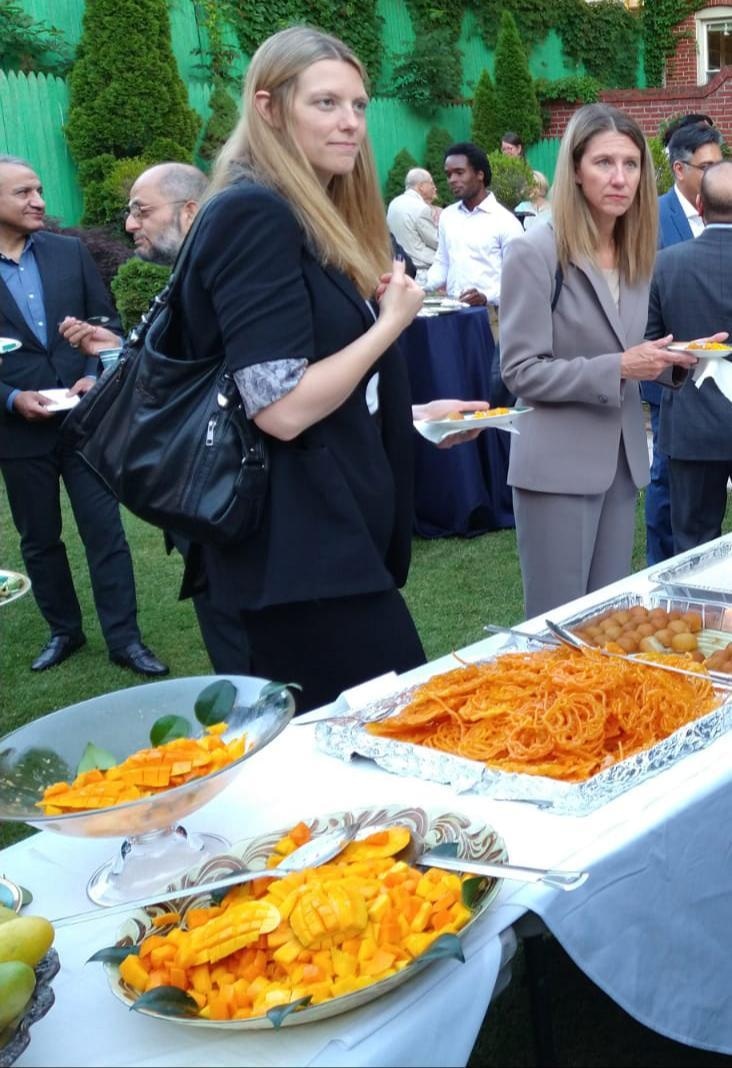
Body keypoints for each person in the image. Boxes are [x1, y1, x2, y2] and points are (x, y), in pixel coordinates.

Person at [148, 26, 487, 713]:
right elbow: (280, 407)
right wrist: (392, 321)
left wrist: (411, 415)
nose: (351, 124)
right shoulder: (254, 213)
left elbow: (294, 380)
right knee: (386, 736)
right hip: (289, 558)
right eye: (326, 103)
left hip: (320, 542)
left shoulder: (298, 213)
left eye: (358, 105)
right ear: (269, 108)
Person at [499, 104, 697, 619]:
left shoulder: (635, 251)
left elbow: (633, 350)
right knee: (558, 624)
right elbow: (519, 371)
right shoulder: (534, 252)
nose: (620, 178)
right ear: (575, 170)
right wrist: (618, 368)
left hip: (622, 462)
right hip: (556, 467)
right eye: (604, 163)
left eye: (631, 164)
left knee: (605, 622)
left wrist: (676, 359)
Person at [60, 162, 250, 675]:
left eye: (141, 210)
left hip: (225, 497)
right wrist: (115, 351)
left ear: (190, 212)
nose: (129, 224)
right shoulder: (187, 280)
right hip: (203, 501)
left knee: (249, 651)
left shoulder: (214, 282)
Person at [0, 155, 168, 675]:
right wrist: (11, 398)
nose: (40, 202)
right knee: (40, 538)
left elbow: (105, 324)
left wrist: (97, 372)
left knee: (106, 532)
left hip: (85, 421)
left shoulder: (69, 253)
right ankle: (64, 632)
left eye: (39, 189)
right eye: (24, 193)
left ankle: (125, 639)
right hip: (18, 431)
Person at [644, 120, 724, 565]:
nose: (715, 172)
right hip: (675, 386)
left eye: (719, 164)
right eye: (706, 165)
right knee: (667, 491)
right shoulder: (651, 220)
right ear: (679, 169)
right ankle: (661, 569)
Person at [425, 141, 523, 323]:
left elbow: (519, 279)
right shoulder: (448, 216)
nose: (452, 179)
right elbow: (442, 262)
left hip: (491, 316)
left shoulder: (505, 222)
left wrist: (486, 296)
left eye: (459, 173)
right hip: (452, 313)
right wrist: (419, 287)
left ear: (480, 174)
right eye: (448, 174)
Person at [386, 167, 439, 284]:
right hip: (422, 271)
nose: (434, 187)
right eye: (431, 183)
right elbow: (436, 241)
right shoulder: (421, 208)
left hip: (399, 266)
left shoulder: (394, 203)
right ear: (421, 186)